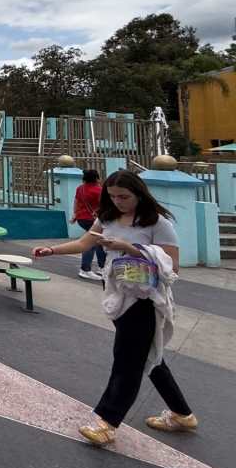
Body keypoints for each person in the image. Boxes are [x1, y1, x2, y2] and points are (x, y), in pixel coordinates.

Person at [32, 170, 197, 446]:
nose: (119, 201)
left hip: (145, 298)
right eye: (113, 196)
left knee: (127, 358)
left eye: (125, 196)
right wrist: (52, 250)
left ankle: (106, 423)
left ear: (139, 194)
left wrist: (128, 247)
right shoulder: (106, 217)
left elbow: (172, 265)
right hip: (117, 292)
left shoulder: (157, 223)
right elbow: (85, 243)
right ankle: (182, 414)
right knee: (146, 353)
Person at [72, 169, 105, 280]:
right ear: (97, 178)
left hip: (81, 218)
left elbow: (76, 202)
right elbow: (103, 205)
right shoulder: (98, 190)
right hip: (94, 219)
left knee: (100, 241)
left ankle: (102, 267)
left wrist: (75, 215)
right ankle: (86, 269)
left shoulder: (80, 188)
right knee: (91, 243)